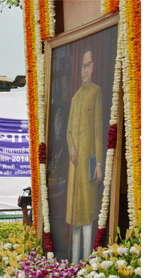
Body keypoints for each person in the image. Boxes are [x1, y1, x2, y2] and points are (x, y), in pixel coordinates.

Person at [65, 47, 103, 263]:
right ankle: (73, 262)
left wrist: (98, 162)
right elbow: (69, 130)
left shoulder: (95, 92)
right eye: (82, 66)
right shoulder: (76, 97)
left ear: (94, 67)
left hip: (89, 163)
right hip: (75, 165)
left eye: (88, 65)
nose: (84, 70)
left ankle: (87, 262)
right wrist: (71, 147)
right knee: (75, 215)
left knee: (88, 214)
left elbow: (98, 129)